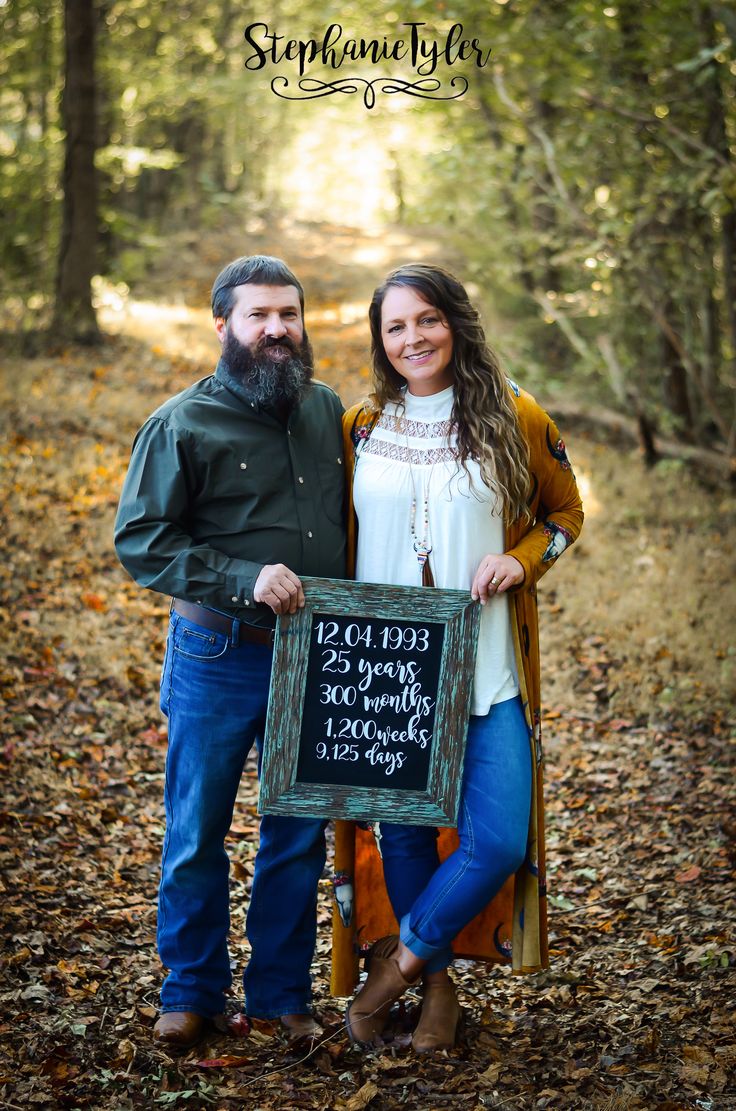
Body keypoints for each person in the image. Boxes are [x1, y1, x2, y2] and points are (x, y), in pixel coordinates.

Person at [339, 263, 583, 1051]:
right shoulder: (359, 427)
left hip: (485, 664)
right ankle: (436, 989)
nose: (415, 338)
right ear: (381, 341)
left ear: (456, 322)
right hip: (388, 675)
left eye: (429, 319)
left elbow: (565, 512)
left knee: (498, 840)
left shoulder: (513, 414)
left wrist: (522, 559)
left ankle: (393, 973)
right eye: (396, 326)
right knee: (403, 836)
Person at [114, 255, 346, 1049]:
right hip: (218, 653)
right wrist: (243, 577)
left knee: (296, 836)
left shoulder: (328, 411)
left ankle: (282, 994)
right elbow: (142, 539)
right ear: (224, 326)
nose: (277, 329)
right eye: (259, 316)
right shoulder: (181, 423)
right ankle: (192, 991)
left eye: (289, 313)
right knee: (196, 829)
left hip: (314, 658)